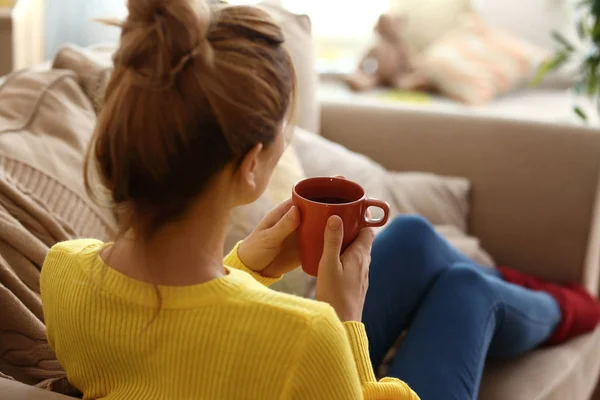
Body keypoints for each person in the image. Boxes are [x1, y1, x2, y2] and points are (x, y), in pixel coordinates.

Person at [39, 1, 600, 399]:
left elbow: (180, 350)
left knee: (409, 237)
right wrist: (342, 321)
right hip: (317, 366)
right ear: (252, 165)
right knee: (467, 291)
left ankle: (545, 299)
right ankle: (577, 307)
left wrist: (245, 268)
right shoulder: (306, 339)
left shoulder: (64, 272)